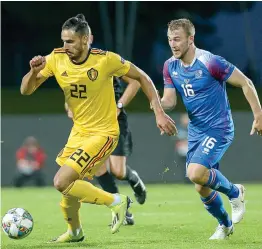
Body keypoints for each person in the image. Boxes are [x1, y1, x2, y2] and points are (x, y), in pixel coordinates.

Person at [20, 13, 177, 243]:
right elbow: (26, 90)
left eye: (70, 41)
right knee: (68, 187)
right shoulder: (56, 58)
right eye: (63, 40)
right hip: (78, 133)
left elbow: (142, 77)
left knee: (61, 181)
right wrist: (33, 71)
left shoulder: (105, 60)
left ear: (85, 40)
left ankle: (117, 202)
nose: (65, 46)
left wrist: (159, 112)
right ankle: (75, 232)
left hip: (103, 134)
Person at [160, 18, 262, 240]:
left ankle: (236, 192)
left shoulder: (210, 62)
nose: (173, 44)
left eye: (177, 39)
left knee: (194, 172)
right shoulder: (170, 66)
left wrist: (259, 115)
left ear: (190, 39)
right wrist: (156, 106)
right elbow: (169, 100)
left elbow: (246, 83)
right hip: (197, 132)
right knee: (201, 185)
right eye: (169, 40)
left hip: (219, 128)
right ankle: (225, 226)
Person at [65, 76, 146, 226]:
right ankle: (123, 212)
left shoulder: (107, 61)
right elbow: (71, 95)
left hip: (114, 121)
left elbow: (135, 82)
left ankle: (134, 179)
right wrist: (70, 107)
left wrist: (119, 105)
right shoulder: (73, 68)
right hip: (91, 124)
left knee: (118, 172)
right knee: (97, 167)